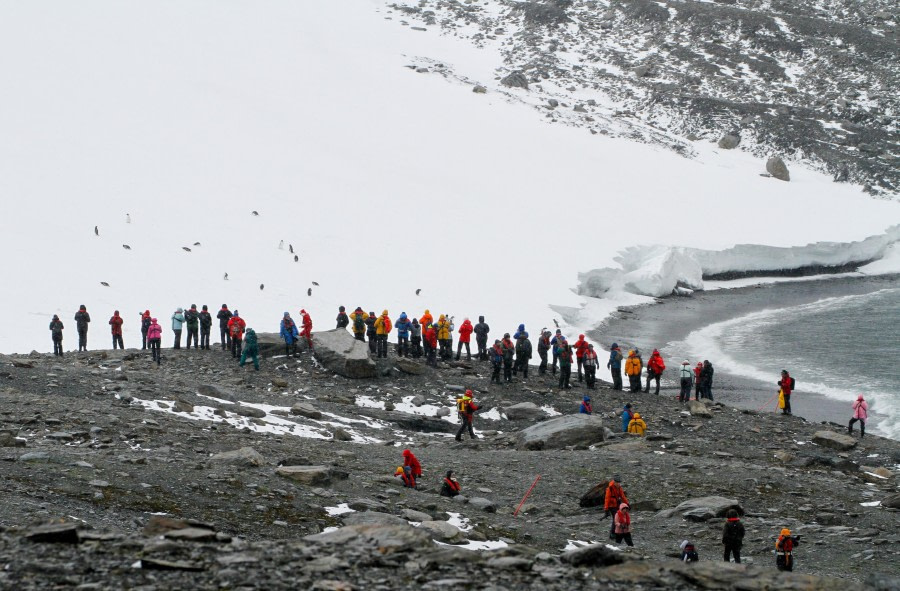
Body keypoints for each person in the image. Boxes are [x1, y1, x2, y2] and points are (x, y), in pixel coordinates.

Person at [603, 475, 628, 540]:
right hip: (611, 506)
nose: (618, 484)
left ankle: (615, 533)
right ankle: (612, 534)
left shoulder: (619, 487)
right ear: (614, 482)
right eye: (617, 482)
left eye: (619, 482)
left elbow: (622, 496)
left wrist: (627, 504)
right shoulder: (610, 488)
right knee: (615, 519)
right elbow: (607, 499)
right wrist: (606, 509)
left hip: (617, 504)